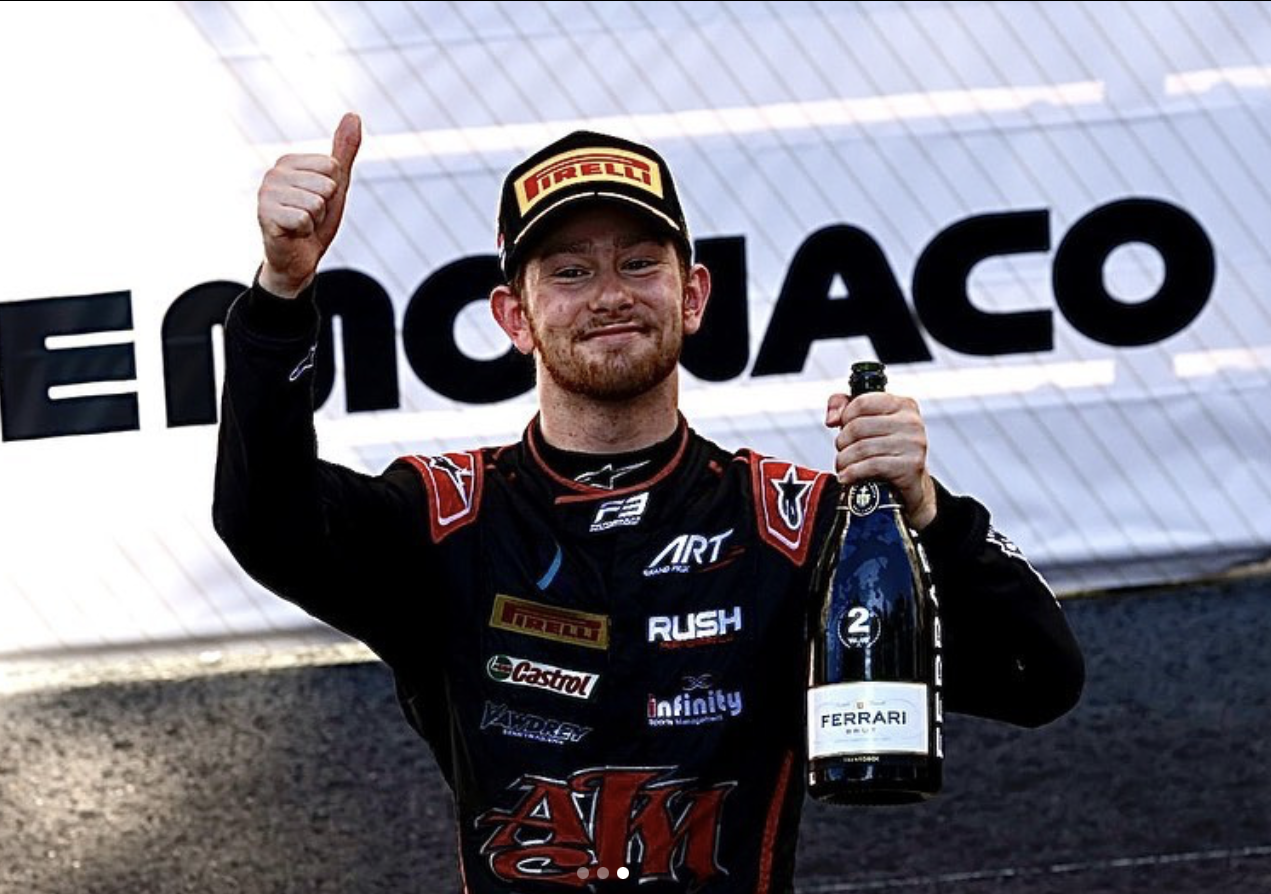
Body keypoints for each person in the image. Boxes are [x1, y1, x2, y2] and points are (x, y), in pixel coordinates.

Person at [213, 114, 1084, 893]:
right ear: (514, 317)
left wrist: (928, 510)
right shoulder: (446, 519)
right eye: (569, 272)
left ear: (692, 295)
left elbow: (1036, 678)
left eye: (638, 262)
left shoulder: (793, 523)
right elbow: (266, 522)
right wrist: (282, 294)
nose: (608, 295)